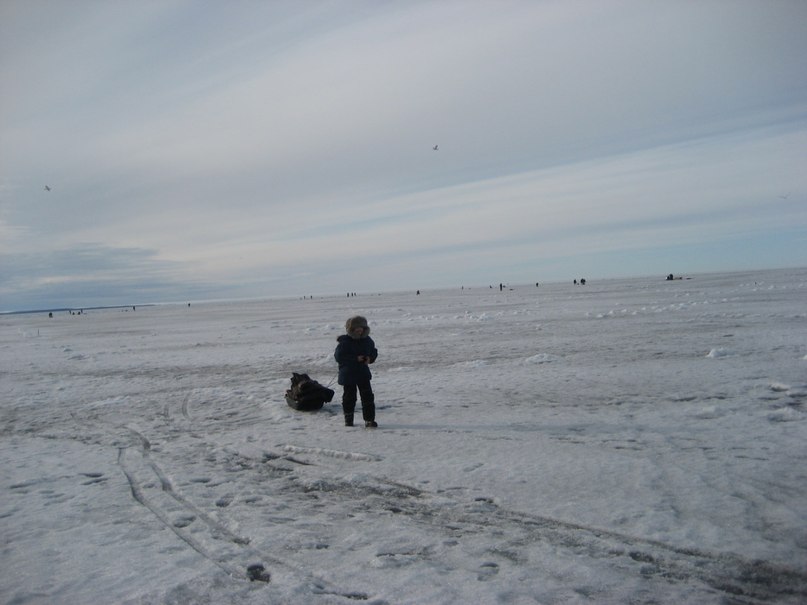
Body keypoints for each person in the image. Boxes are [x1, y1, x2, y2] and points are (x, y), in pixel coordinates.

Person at [334, 316, 378, 428]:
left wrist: (370, 358)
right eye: (356, 328)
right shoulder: (344, 342)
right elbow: (339, 357)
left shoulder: (368, 340)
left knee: (368, 397)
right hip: (348, 374)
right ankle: (348, 419)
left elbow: (373, 352)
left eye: (361, 327)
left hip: (363, 373)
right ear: (351, 329)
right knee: (349, 398)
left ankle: (369, 420)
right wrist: (355, 359)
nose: (359, 330)